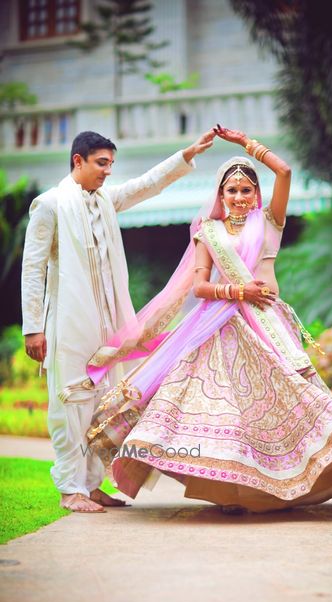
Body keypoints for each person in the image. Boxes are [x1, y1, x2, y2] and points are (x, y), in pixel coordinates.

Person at [86, 125, 332, 514]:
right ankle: (231, 492)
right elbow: (199, 287)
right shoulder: (210, 232)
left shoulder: (270, 222)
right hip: (221, 326)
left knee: (297, 401)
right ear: (221, 195)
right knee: (227, 412)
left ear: (256, 195)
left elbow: (284, 171)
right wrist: (239, 292)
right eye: (231, 190)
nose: (239, 196)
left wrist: (244, 145)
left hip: (267, 326)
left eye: (246, 189)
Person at [21, 128, 215, 513]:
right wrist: (33, 327)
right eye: (101, 163)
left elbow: (146, 185)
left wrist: (185, 156)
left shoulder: (106, 200)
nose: (108, 172)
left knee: (102, 404)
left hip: (110, 325)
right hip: (69, 321)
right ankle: (69, 489)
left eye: (111, 164)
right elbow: (33, 268)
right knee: (71, 402)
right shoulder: (50, 204)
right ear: (78, 160)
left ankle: (92, 486)